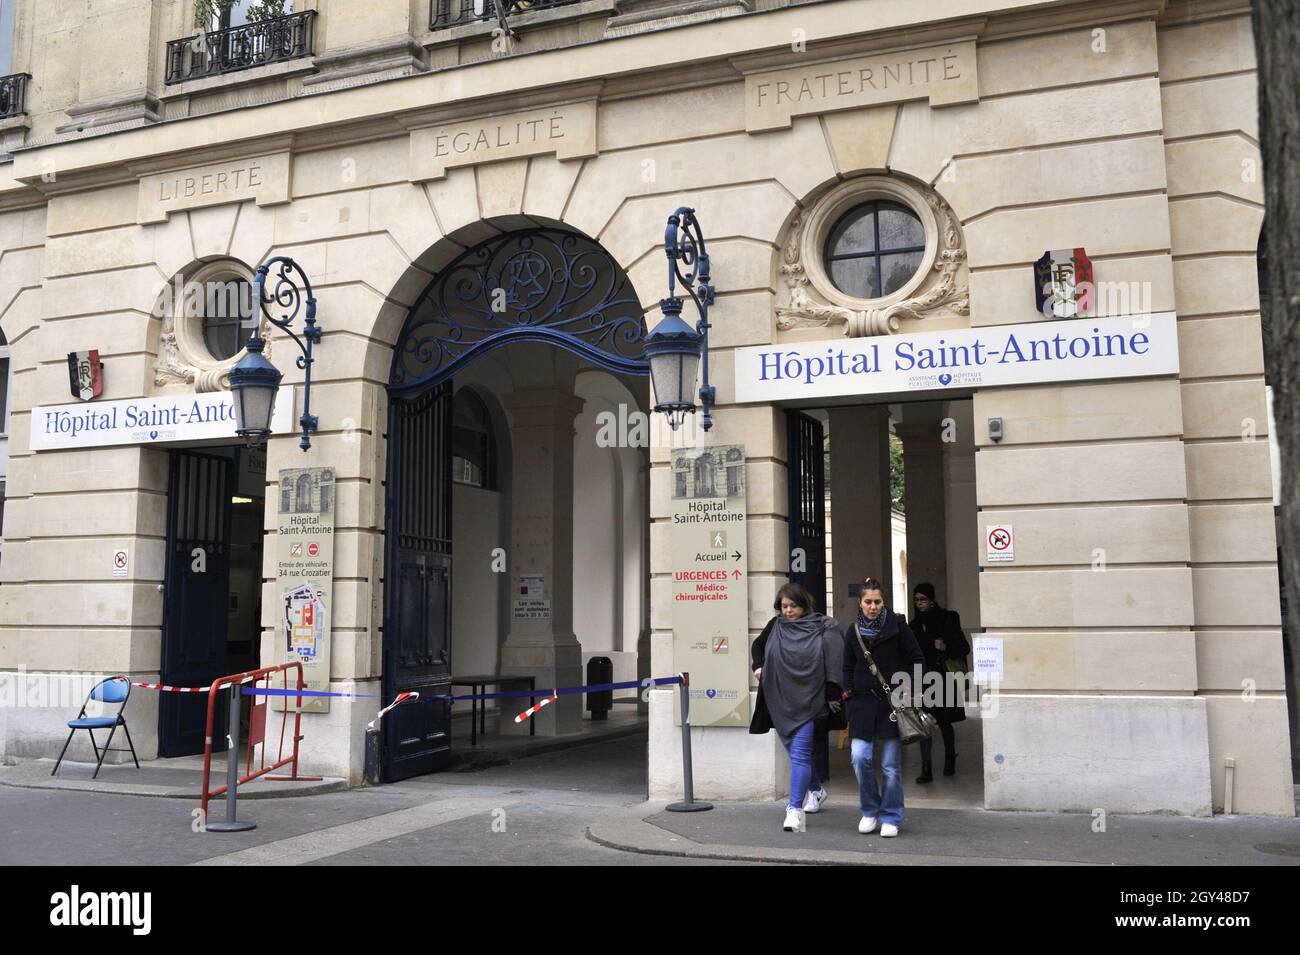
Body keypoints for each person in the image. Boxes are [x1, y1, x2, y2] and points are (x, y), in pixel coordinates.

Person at [749, 582, 844, 833]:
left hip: (809, 700)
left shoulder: (822, 626)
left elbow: (835, 660)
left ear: (804, 605)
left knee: (800, 754)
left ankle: (794, 810)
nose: (788, 611)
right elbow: (757, 646)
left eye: (793, 606)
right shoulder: (776, 625)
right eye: (783, 606)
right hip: (779, 700)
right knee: (796, 753)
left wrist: (832, 692)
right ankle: (816, 790)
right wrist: (758, 666)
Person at [842, 577, 924, 838]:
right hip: (862, 704)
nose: (873, 606)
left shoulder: (898, 625)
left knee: (890, 766)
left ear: (883, 602)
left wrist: (910, 686)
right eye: (868, 602)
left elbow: (917, 658)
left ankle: (891, 816)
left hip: (892, 704)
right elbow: (846, 666)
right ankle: (869, 811)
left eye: (877, 601)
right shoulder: (853, 630)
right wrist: (848, 692)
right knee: (859, 757)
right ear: (860, 602)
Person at [908, 581, 969, 783]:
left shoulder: (948, 619)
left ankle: (950, 758)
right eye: (916, 600)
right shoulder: (914, 625)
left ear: (932, 600)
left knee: (944, 722)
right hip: (923, 679)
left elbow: (963, 648)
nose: (919, 603)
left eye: (923, 599)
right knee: (924, 723)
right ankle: (926, 769)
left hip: (942, 677)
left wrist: (945, 647)